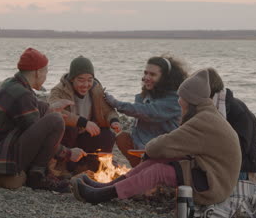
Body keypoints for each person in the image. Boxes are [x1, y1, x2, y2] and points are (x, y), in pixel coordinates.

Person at [71, 69, 242, 205]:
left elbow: (161, 146)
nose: (179, 103)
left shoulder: (203, 121)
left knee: (158, 170)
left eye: (182, 100)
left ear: (191, 101)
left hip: (213, 186)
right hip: (209, 173)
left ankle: (101, 195)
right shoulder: (207, 114)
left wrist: (149, 150)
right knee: (154, 161)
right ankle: (107, 186)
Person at [0, 48, 87, 192]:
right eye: (46, 72)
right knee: (56, 120)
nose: (46, 77)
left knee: (48, 111)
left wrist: (51, 108)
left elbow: (33, 110)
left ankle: (38, 172)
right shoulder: (23, 95)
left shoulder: (12, 83)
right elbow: (38, 137)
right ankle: (37, 177)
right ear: (37, 72)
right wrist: (69, 153)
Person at [104, 55, 188, 167]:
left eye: (152, 74)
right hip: (144, 149)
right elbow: (137, 127)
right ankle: (141, 168)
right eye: (145, 73)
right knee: (122, 138)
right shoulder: (145, 96)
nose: (146, 77)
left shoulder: (174, 99)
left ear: (165, 78)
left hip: (165, 150)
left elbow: (148, 112)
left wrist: (116, 103)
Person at [48, 56, 120, 173]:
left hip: (85, 137)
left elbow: (108, 111)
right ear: (72, 79)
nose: (86, 84)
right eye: (81, 80)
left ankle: (96, 165)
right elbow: (53, 112)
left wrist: (114, 121)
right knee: (70, 130)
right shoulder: (59, 90)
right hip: (67, 139)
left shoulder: (96, 89)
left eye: (89, 79)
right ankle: (64, 166)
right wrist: (83, 122)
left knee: (107, 135)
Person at [206, 68, 256, 181]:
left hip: (243, 168)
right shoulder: (215, 107)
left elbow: (239, 150)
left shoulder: (237, 111)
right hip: (231, 163)